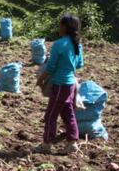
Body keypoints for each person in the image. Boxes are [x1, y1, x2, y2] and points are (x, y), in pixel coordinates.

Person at [35, 14, 84, 154]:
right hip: (72, 85)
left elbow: (50, 67)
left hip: (60, 84)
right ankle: (72, 143)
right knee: (68, 113)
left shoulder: (59, 44)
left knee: (50, 115)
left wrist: (41, 79)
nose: (59, 28)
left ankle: (46, 144)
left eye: (60, 25)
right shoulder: (77, 44)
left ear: (64, 27)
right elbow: (80, 64)